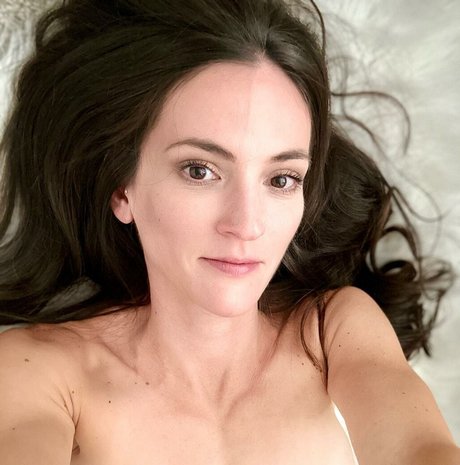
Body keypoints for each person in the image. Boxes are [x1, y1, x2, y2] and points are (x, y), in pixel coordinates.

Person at [0, 0, 458, 464]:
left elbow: (419, 448)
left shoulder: (331, 331)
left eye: (281, 179)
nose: (246, 225)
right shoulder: (39, 370)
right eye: (199, 171)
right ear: (122, 189)